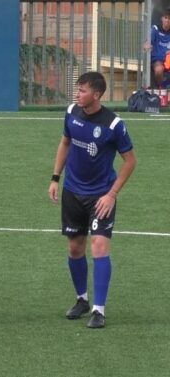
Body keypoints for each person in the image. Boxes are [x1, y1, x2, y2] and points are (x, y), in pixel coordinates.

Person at [48, 71, 136, 329]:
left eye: (82, 90)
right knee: (75, 248)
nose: (77, 94)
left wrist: (112, 194)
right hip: (72, 192)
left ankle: (99, 310)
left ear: (96, 94)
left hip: (101, 197)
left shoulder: (113, 125)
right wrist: (55, 178)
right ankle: (82, 300)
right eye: (77, 89)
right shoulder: (72, 112)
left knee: (98, 246)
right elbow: (65, 143)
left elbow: (130, 161)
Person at [145, 9, 170, 89]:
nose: (167, 20)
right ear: (162, 19)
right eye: (166, 17)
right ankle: (161, 87)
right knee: (159, 70)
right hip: (157, 61)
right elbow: (148, 42)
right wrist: (146, 45)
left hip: (168, 61)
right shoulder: (155, 29)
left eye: (169, 18)